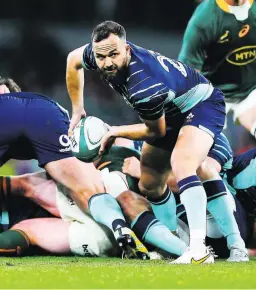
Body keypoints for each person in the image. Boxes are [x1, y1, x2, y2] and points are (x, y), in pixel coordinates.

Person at [66, 21, 228, 264]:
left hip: (202, 105)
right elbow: (72, 60)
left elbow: (155, 132)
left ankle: (200, 250)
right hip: (171, 109)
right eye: (101, 57)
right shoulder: (98, 54)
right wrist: (77, 108)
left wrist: (114, 132)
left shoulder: (143, 86)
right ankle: (175, 244)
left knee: (183, 164)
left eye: (114, 54)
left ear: (127, 49)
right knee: (150, 180)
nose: (107, 62)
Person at [0, 76, 145, 257]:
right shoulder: (41, 106)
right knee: (88, 193)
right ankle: (120, 226)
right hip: (47, 111)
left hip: (3, 120)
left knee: (29, 192)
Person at [179, 0, 256, 144]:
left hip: (252, 89)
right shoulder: (204, 18)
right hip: (210, 95)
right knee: (207, 162)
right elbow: (188, 74)